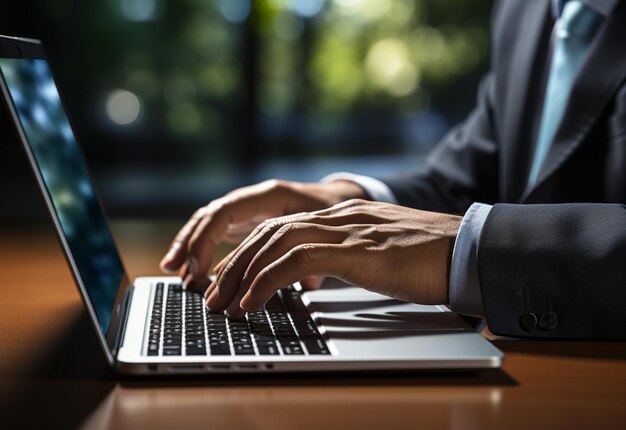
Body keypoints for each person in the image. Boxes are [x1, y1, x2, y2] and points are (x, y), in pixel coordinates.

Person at [160, 0, 626, 340]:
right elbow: (468, 175)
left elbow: (469, 226)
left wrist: (468, 251)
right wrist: (342, 198)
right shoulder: (525, 10)